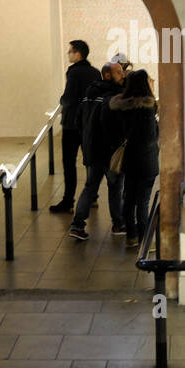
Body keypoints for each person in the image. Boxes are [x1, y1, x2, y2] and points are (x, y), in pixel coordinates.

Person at [69, 62, 127, 240]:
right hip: (109, 152)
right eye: (119, 72)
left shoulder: (88, 96)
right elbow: (115, 127)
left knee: (90, 187)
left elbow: (79, 122)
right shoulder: (113, 98)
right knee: (115, 188)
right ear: (108, 75)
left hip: (91, 151)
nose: (123, 75)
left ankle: (77, 225)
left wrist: (87, 142)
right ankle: (118, 224)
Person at [108, 69, 159, 246]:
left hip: (129, 158)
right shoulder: (149, 108)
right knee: (143, 201)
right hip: (147, 160)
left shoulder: (120, 107)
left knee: (129, 199)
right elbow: (152, 136)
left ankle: (131, 237)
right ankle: (144, 240)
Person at [49, 39, 98, 212]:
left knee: (69, 162)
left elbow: (68, 98)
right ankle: (92, 196)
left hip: (72, 124)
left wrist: (62, 100)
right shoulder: (95, 72)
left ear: (78, 54)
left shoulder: (73, 72)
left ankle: (68, 200)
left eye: (70, 51)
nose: (68, 54)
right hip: (89, 124)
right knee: (90, 161)